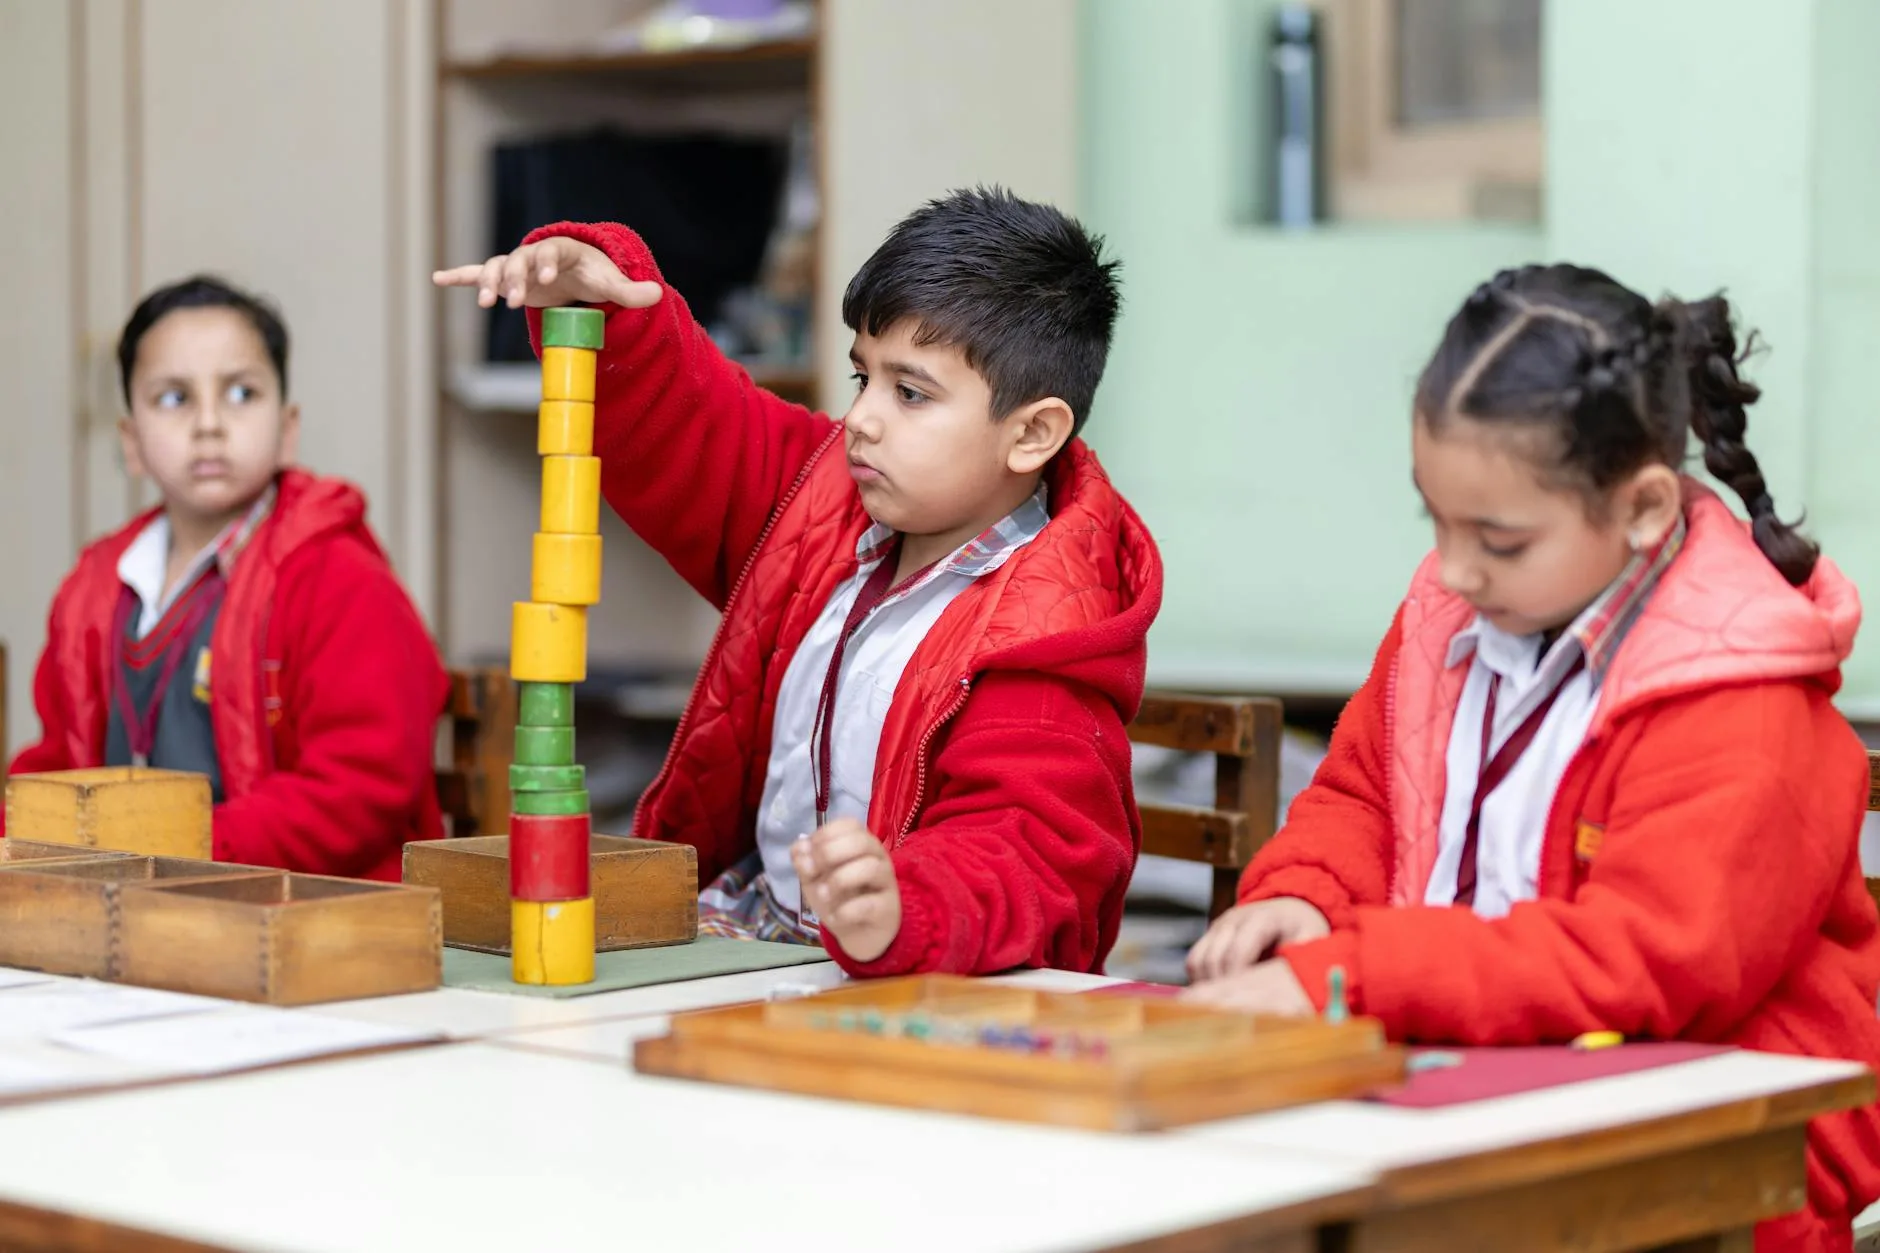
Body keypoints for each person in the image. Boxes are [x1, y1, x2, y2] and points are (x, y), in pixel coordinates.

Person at [1185, 264, 1880, 1252]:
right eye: (1433, 518)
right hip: (1478, 1067)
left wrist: (1357, 973)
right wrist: (1305, 894)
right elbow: (1363, 794)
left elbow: (1637, 964)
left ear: (1641, 508)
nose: (1453, 567)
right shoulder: (1448, 611)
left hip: (1725, 1135)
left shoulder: (1738, 695)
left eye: (1497, 539)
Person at [434, 186, 1162, 976]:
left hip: (892, 978)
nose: (862, 418)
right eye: (863, 380)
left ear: (1032, 433)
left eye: (910, 392)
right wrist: (601, 296)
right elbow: (695, 424)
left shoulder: (1047, 625)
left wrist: (901, 903)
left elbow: (1028, 850)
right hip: (750, 932)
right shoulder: (823, 499)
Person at [4, 276, 448, 881]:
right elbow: (57, 769)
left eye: (241, 393)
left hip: (308, 917)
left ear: (287, 427)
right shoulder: (94, 590)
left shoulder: (339, 579)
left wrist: (184, 853)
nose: (209, 423)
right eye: (173, 398)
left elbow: (361, 786)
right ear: (131, 441)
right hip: (128, 912)